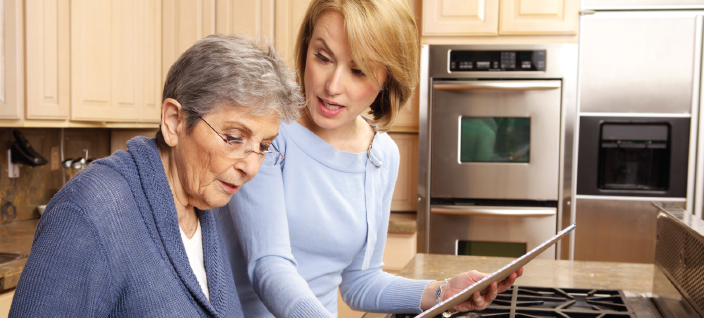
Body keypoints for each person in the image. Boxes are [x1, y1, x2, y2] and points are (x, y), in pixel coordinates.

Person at [216, 0, 523, 317]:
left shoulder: (381, 155)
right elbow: (269, 265)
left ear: (387, 77)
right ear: (306, 48)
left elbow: (361, 282)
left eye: (358, 70)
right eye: (323, 58)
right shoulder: (267, 128)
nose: (333, 86)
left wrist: (443, 292)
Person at [9, 34, 303, 317]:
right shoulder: (91, 211)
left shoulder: (202, 204)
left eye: (264, 146)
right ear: (174, 122)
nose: (251, 168)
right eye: (234, 137)